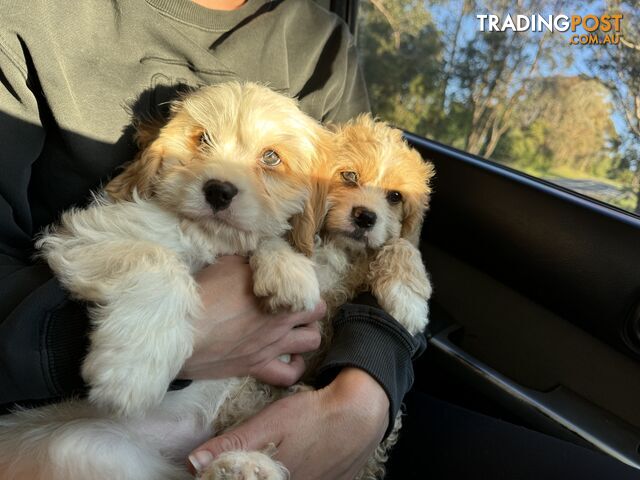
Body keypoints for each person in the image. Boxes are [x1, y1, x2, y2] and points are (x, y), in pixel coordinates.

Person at [0, 1, 424, 478]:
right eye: (202, 142)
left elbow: (357, 239)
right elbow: (81, 240)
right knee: (87, 455)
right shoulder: (29, 16)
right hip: (67, 406)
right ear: (158, 157)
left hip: (248, 417)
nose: (225, 177)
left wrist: (367, 390)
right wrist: (175, 330)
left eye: (270, 160)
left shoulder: (322, 42)